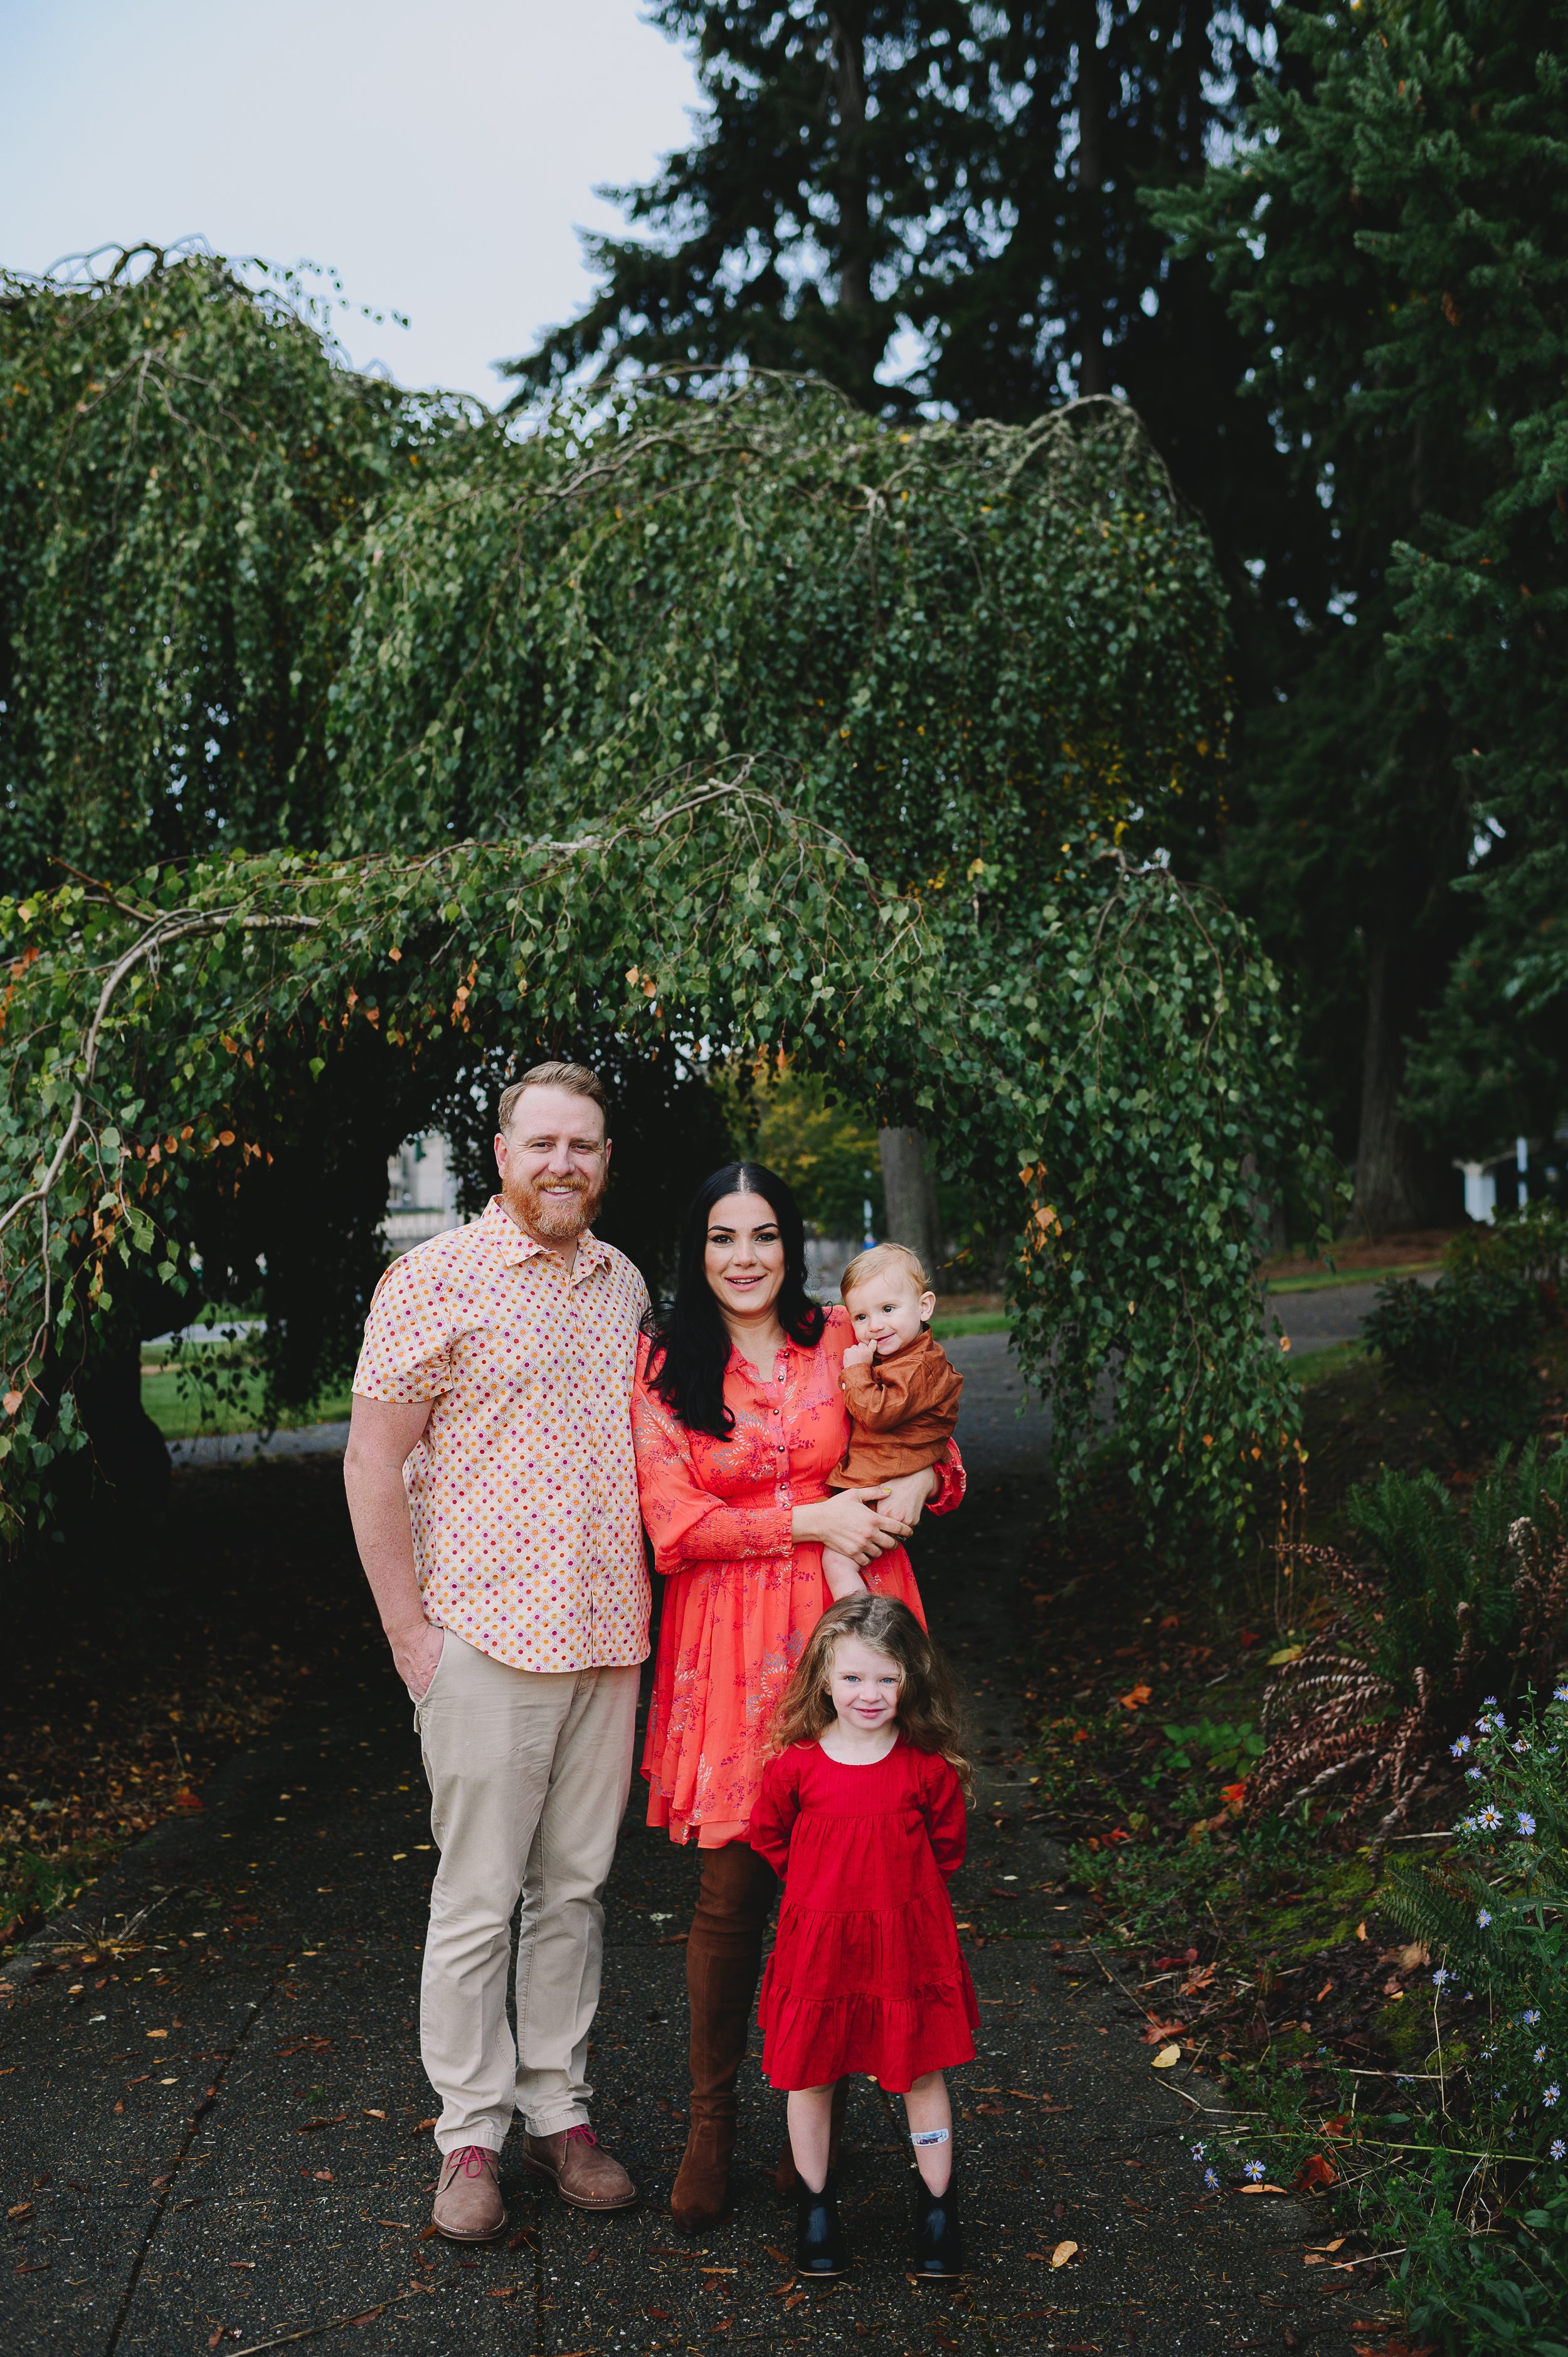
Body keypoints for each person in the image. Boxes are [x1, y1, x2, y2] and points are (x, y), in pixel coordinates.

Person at [344, 1062, 647, 2242]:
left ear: (605, 1160)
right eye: (543, 1144)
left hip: (610, 1637)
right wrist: (411, 1635)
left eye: (585, 1145)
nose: (563, 1163)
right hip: (482, 1637)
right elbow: (372, 1463)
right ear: (503, 1151)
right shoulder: (433, 1281)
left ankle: (558, 2109)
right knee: (478, 1898)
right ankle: (469, 2135)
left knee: (574, 1889)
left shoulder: (621, 1285)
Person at [632, 1162, 965, 2232]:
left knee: (855, 1884)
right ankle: (711, 2120)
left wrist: (915, 1484)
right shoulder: (664, 1362)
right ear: (698, 1250)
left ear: (792, 1245)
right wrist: (808, 1523)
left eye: (765, 1235)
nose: (745, 1257)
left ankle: (809, 2121)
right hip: (729, 1648)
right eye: (723, 1236)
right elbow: (674, 1529)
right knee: (734, 1893)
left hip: (853, 1633)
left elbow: (934, 1443)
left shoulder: (842, 1339)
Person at [750, 1594, 975, 2280]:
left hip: (906, 1938)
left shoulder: (925, 1766)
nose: (869, 1694)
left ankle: (938, 2205)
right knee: (812, 2072)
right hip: (819, 1941)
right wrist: (826, 1893)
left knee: (921, 2068)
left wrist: (886, 1895)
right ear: (823, 1677)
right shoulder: (796, 1766)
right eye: (852, 1678)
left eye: (886, 1677)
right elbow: (770, 1834)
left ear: (911, 1678)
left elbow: (947, 1847)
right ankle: (816, 2207)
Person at [820, 1242, 965, 1602]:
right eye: (861, 1317)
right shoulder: (904, 1355)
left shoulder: (919, 1365)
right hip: (882, 1478)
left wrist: (855, 1371)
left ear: (924, 1306)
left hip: (883, 1485)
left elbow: (876, 1413)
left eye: (887, 1309)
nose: (875, 1326)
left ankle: (855, 1622)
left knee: (837, 1563)